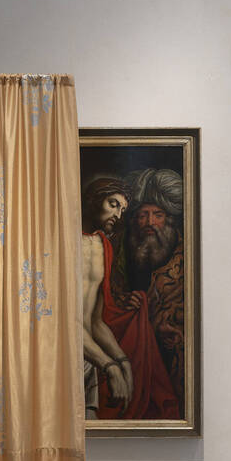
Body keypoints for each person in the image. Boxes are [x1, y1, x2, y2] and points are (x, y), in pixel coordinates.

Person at [81, 175, 179, 421]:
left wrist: (123, 362)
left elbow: (94, 321)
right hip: (64, 355)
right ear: (93, 200)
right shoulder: (64, 243)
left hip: (89, 358)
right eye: (113, 204)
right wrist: (111, 367)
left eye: (123, 209)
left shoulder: (102, 245)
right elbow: (65, 323)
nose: (118, 214)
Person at [125, 168, 185, 409]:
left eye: (157, 215)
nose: (150, 222)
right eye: (143, 215)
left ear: (169, 219)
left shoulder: (185, 257)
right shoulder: (123, 253)